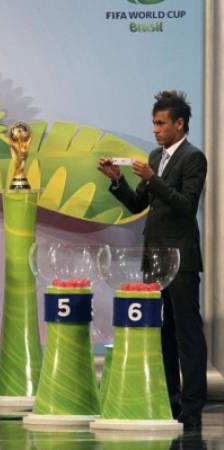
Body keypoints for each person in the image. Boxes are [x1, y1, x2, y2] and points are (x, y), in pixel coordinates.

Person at [97, 90, 207, 432]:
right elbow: (137, 205)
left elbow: (185, 205)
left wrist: (151, 178)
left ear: (179, 123)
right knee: (164, 334)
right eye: (154, 124)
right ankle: (169, 401)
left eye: (161, 124)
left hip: (182, 259)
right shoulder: (155, 156)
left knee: (188, 335)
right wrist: (118, 181)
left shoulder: (193, 158)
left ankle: (192, 409)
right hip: (155, 258)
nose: (156, 130)